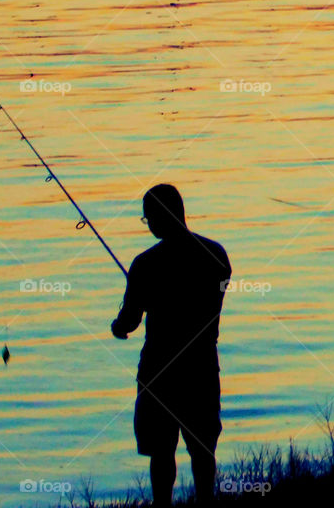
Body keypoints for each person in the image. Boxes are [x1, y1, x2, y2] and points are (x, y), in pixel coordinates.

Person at [111, 184, 231, 506]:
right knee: (203, 450)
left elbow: (129, 321)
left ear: (161, 217)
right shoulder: (216, 255)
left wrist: (117, 327)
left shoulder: (145, 265)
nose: (148, 224)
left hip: (159, 370)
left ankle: (162, 506)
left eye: (149, 218)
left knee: (161, 452)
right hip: (202, 366)